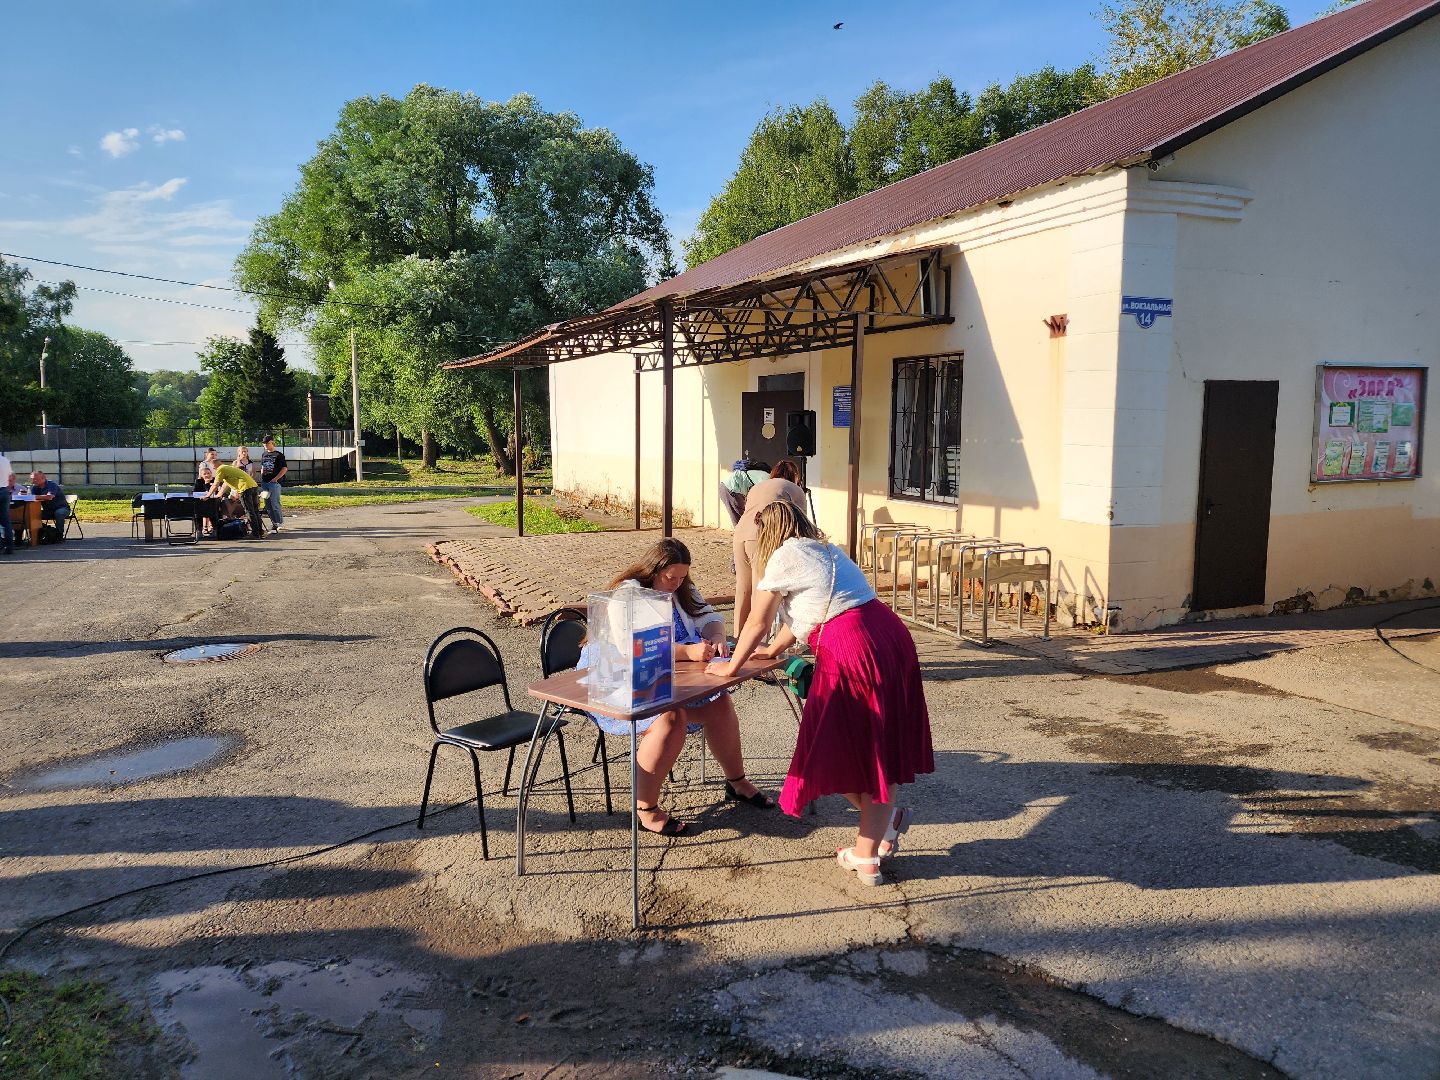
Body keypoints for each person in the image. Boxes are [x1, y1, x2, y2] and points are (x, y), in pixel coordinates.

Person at [709, 501, 934, 887]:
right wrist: (774, 651)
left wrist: (731, 667)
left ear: (766, 533)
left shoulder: (783, 555)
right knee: (879, 749)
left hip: (853, 648)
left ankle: (869, 847)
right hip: (887, 635)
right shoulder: (826, 550)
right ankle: (873, 844)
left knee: (828, 751)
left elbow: (758, 621)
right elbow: (810, 612)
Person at [579, 537, 772, 836]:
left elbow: (708, 616)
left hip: (672, 673)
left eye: (682, 577)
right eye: (671, 577)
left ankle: (736, 783)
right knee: (670, 718)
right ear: (654, 569)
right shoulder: (628, 595)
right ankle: (645, 808)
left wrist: (717, 635)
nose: (676, 583)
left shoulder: (682, 587)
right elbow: (634, 648)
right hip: (616, 678)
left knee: (719, 704)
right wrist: (688, 652)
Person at [731, 459, 807, 633]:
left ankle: (737, 637)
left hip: (740, 534)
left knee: (743, 589)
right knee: (761, 591)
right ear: (795, 476)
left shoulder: (758, 486)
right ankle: (758, 642)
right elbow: (801, 524)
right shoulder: (794, 489)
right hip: (763, 535)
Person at [205, 461, 265, 540]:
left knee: (249, 511)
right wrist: (218, 495)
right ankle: (260, 532)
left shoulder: (221, 469)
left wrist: (207, 496)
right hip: (253, 486)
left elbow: (215, 484)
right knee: (255, 510)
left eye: (213, 467)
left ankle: (255, 534)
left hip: (244, 488)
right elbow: (224, 486)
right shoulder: (228, 469)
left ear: (215, 466)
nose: (213, 469)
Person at [258, 434, 287, 534]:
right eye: (264, 444)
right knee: (268, 504)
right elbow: (262, 466)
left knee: (275, 503)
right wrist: (262, 476)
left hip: (274, 483)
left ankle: (279, 522)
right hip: (265, 482)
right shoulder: (264, 454)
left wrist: (276, 479)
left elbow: (284, 468)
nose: (265, 445)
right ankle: (274, 522)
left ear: (272, 443)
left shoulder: (279, 455)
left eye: (267, 443)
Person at [28, 471, 69, 541]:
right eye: (32, 479)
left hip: (61, 508)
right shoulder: (34, 488)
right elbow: (31, 498)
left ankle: (59, 535)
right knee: (31, 515)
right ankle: (39, 534)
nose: (33, 481)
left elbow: (49, 497)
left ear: (43, 478)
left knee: (59, 513)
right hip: (48, 510)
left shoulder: (51, 484)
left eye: (35, 479)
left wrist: (34, 496)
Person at [0, 449, 13, 554]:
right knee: (6, 520)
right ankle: (9, 546)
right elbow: (10, 477)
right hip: (4, 490)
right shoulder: (5, 460)